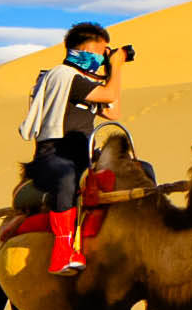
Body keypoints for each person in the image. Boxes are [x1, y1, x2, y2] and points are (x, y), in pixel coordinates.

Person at [17, 22, 128, 275]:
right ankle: (62, 252)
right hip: (55, 153)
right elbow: (109, 96)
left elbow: (114, 112)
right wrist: (116, 68)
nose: (103, 58)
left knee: (138, 168)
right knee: (66, 176)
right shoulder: (63, 76)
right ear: (85, 50)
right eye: (101, 53)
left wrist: (112, 71)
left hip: (85, 153)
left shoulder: (85, 81)